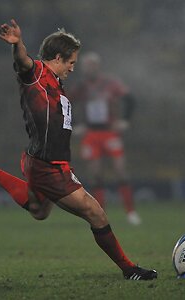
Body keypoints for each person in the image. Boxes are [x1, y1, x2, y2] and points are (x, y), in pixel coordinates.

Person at [0, 19, 157, 280]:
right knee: (95, 212)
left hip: (41, 161)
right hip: (49, 166)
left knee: (39, 211)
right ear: (57, 57)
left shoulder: (58, 83)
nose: (73, 68)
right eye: (71, 62)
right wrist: (17, 45)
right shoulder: (36, 73)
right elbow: (23, 62)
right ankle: (129, 270)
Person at [69, 52, 141, 225]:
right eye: (86, 65)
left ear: (98, 66)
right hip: (91, 134)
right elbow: (65, 103)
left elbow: (130, 99)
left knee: (120, 169)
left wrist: (125, 121)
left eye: (92, 65)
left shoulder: (110, 83)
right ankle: (100, 213)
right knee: (95, 174)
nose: (90, 68)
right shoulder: (81, 86)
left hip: (109, 132)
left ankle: (131, 212)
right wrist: (76, 124)